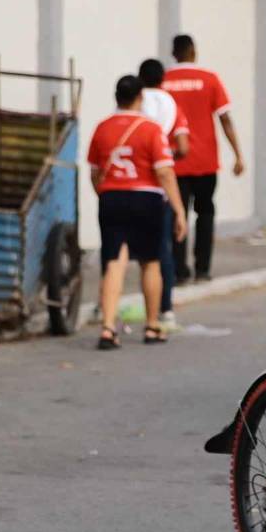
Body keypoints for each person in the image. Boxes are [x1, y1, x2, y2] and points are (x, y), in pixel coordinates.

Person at [86, 75, 187, 349]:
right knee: (150, 262)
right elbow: (165, 172)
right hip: (147, 198)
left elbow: (94, 172)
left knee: (114, 263)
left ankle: (108, 328)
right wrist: (179, 210)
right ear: (140, 98)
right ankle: (152, 326)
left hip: (112, 198)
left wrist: (105, 193)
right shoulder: (151, 129)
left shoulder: (102, 128)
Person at [162, 35, 245, 283]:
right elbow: (225, 119)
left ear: (174, 53)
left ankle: (179, 271)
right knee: (205, 213)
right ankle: (202, 269)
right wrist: (238, 155)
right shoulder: (209, 79)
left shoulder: (163, 81)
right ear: (193, 52)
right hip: (206, 162)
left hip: (174, 161)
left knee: (178, 215)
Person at [138, 58, 189, 329]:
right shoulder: (171, 105)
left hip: (128, 184)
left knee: (119, 252)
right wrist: (167, 156)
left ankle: (106, 309)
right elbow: (183, 145)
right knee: (161, 251)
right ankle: (164, 309)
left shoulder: (134, 103)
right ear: (162, 79)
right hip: (159, 188)